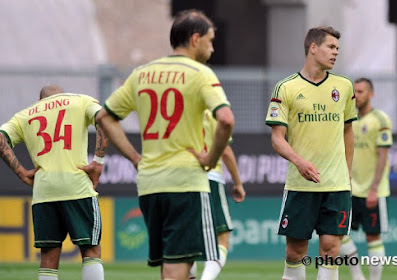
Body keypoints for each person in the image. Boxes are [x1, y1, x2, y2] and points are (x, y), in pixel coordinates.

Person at [95, 9, 234, 280]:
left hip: (149, 184)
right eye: (210, 40)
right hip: (185, 183)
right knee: (176, 271)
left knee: (170, 268)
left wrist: (135, 158)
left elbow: (104, 117)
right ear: (195, 39)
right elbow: (226, 119)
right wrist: (209, 158)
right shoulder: (200, 73)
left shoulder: (142, 74)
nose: (212, 47)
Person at [265, 26, 357, 280]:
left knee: (331, 250)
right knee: (296, 252)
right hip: (301, 186)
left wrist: (347, 174)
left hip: (336, 185)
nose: (336, 52)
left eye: (337, 48)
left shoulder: (344, 87)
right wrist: (299, 162)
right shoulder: (286, 88)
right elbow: (277, 139)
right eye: (330, 47)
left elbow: (348, 131)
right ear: (313, 48)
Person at [0, 85, 108, 280]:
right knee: (91, 250)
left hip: (44, 192)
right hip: (77, 187)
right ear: (62, 94)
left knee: (49, 258)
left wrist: (21, 172)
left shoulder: (24, 115)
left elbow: (0, 138)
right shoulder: (80, 100)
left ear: (40, 100)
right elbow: (105, 118)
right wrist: (98, 162)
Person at [340, 78, 392, 280]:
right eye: (354, 91)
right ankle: (357, 275)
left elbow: (383, 156)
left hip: (372, 191)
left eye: (361, 91)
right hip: (349, 188)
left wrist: (373, 189)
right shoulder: (348, 119)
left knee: (373, 236)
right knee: (339, 234)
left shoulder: (380, 120)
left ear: (371, 94)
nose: (356, 95)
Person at [189, 109, 246, 280]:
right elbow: (225, 151)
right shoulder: (211, 111)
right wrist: (238, 183)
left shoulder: (177, 107)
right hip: (209, 177)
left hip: (180, 178)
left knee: (188, 239)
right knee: (222, 238)